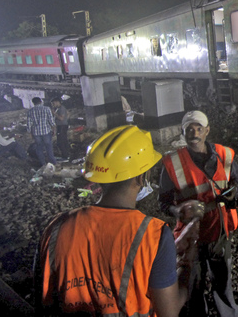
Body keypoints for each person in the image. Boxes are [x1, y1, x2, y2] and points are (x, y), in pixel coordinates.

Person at [35, 125, 195, 317]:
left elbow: (42, 296)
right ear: (143, 176)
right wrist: (186, 265)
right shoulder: (154, 235)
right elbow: (169, 311)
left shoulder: (55, 227)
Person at [159, 110, 238, 317]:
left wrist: (233, 193)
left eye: (198, 128)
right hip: (190, 236)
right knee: (193, 288)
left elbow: (237, 180)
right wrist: (177, 210)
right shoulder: (172, 163)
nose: (194, 133)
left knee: (223, 284)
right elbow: (164, 201)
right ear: (183, 132)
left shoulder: (224, 155)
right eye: (189, 129)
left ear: (207, 131)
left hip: (219, 231)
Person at [27, 97, 57, 167]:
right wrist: (54, 129)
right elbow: (51, 121)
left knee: (39, 147)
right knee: (48, 147)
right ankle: (53, 163)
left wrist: (30, 133)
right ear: (40, 102)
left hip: (36, 133)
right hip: (46, 132)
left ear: (33, 103)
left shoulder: (30, 111)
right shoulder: (46, 109)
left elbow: (29, 124)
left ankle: (43, 163)